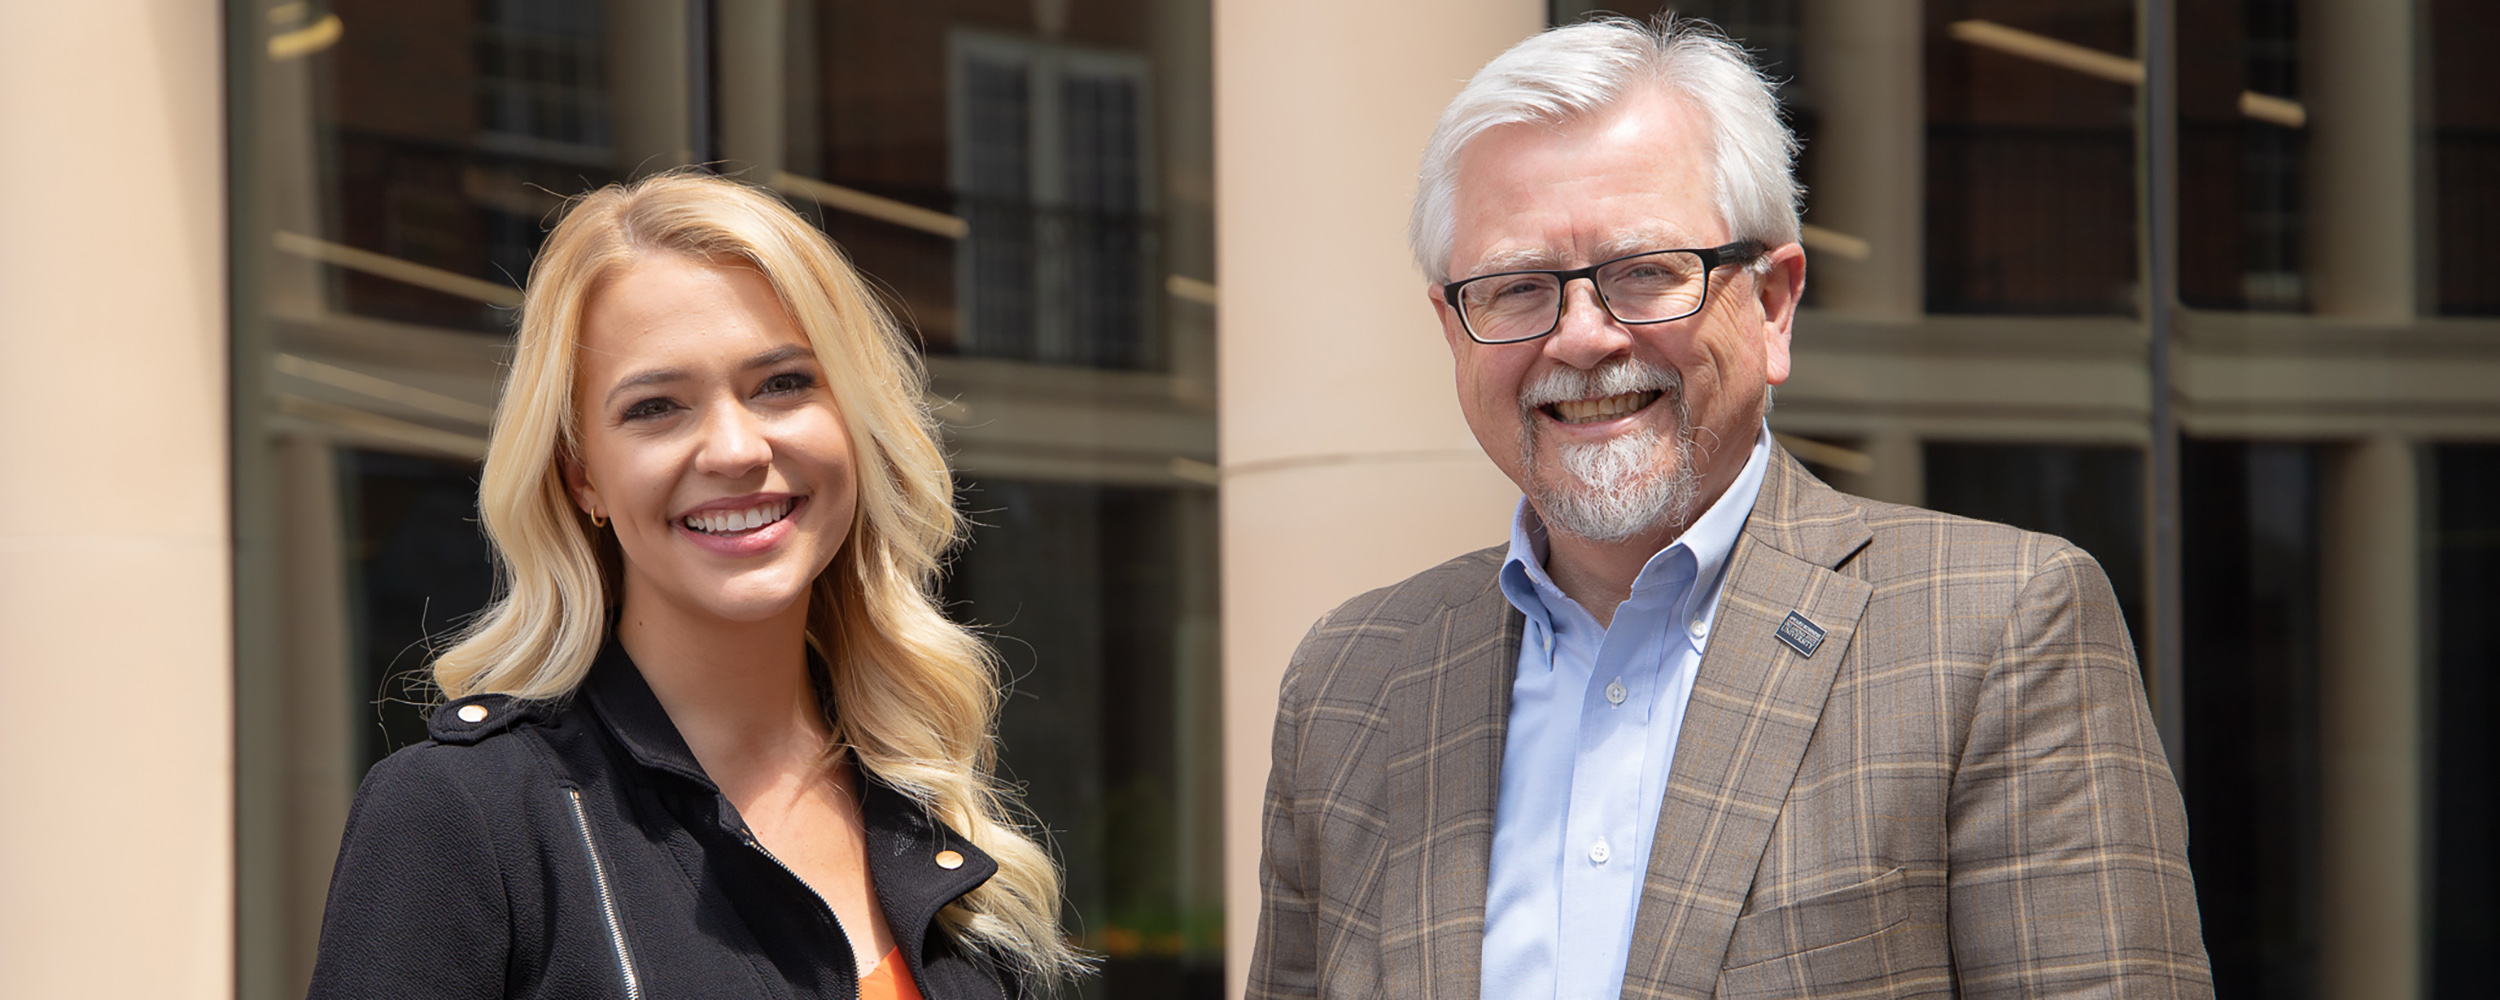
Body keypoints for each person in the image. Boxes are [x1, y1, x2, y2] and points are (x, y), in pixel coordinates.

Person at [1250, 18, 2211, 999]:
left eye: (1643, 272)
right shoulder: (1349, 684)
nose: (1580, 337)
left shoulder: (1994, 629)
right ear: (1453, 329)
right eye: (1516, 287)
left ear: (1774, 304)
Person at [307, 172, 1085, 1000]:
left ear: (855, 423)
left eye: (782, 384)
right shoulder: (462, 816)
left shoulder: (928, 808)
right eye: (656, 407)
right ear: (582, 477)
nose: (735, 450)